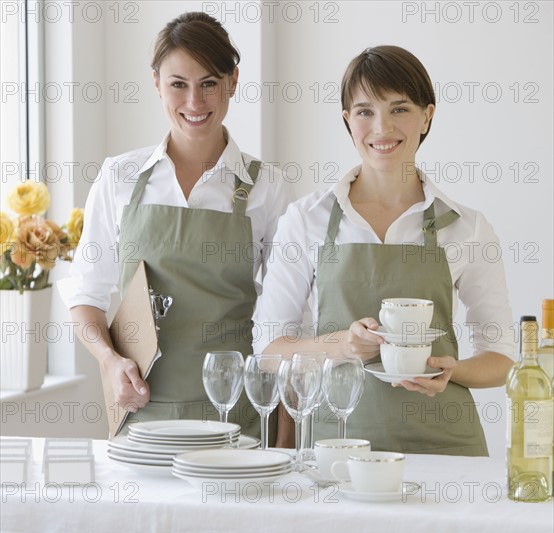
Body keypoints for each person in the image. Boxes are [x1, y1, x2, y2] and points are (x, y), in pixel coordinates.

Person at [253, 45, 516, 456]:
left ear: (427, 116)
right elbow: (269, 351)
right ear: (347, 120)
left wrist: (454, 371)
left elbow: (501, 356)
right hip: (337, 443)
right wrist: (341, 345)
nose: (381, 127)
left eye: (399, 109)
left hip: (444, 447)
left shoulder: (467, 227)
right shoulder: (306, 220)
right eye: (364, 111)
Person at [58, 12, 294, 438]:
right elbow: (86, 293)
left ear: (233, 81)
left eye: (209, 83)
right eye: (178, 84)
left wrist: (286, 436)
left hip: (236, 418)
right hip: (142, 413)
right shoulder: (119, 177)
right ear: (156, 83)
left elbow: (288, 321)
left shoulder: (266, 187)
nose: (194, 102)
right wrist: (110, 362)